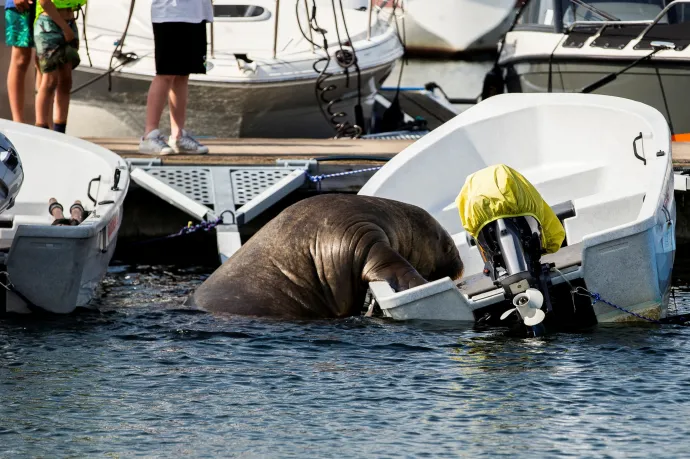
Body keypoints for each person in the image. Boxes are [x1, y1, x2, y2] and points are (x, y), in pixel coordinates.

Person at [138, 0, 212, 155]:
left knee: (182, 75)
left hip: (196, 13)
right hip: (170, 14)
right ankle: (149, 135)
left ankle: (178, 135)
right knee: (166, 73)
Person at [34, 0, 85, 133]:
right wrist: (65, 28)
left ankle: (60, 130)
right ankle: (41, 129)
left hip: (70, 21)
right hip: (49, 24)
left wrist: (68, 27)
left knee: (66, 80)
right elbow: (44, 2)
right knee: (50, 80)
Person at [5, 0, 39, 123]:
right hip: (22, 5)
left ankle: (43, 122)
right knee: (21, 59)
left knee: (45, 60)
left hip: (50, 6)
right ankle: (18, 121)